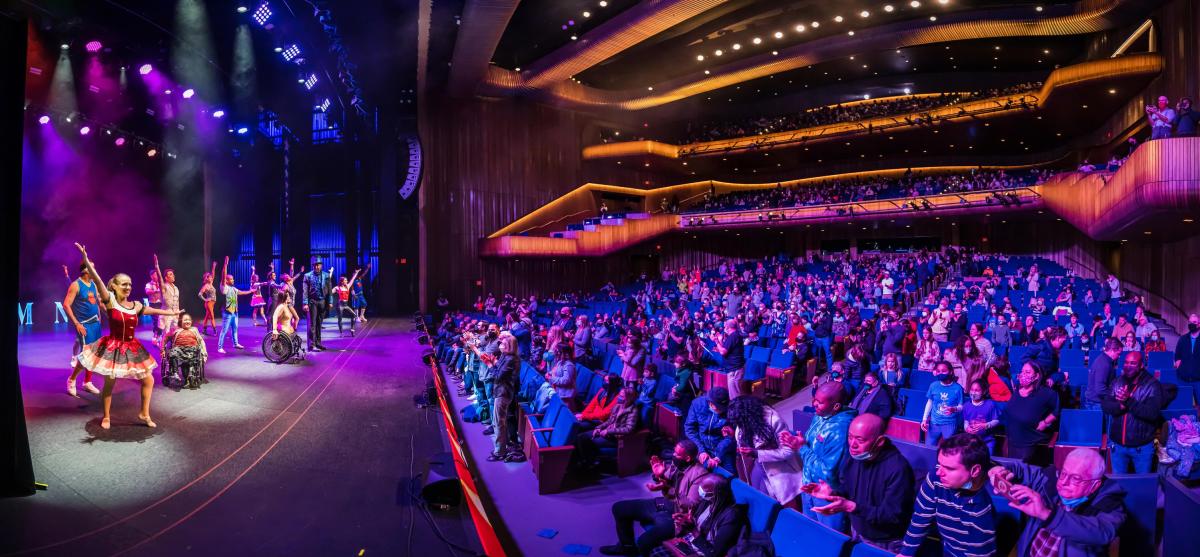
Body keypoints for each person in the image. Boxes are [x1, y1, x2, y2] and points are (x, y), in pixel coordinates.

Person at [72, 243, 180, 430]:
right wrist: (84, 258)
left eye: (130, 284)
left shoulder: (136, 305)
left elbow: (152, 309)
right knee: (110, 381)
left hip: (131, 346)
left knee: (149, 379)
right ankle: (106, 416)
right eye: (124, 284)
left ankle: (144, 413)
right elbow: (97, 280)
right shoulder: (110, 300)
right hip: (113, 346)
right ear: (114, 286)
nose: (128, 287)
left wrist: (171, 313)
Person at [799, 414, 914, 552]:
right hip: (858, 530)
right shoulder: (854, 456)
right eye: (850, 437)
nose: (852, 444)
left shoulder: (898, 469)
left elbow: (892, 516)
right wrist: (833, 491)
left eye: (860, 440)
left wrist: (852, 507)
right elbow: (847, 489)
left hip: (884, 541)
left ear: (879, 442)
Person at [988, 448, 1125, 557]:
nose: (1064, 482)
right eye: (1064, 474)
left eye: (1075, 479)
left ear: (1094, 485)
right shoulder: (1052, 478)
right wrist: (1000, 470)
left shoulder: (1110, 504)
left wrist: (1048, 515)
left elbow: (1101, 533)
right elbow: (1022, 470)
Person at [600, 440, 711, 556]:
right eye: (674, 452)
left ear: (687, 458)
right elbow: (666, 480)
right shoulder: (678, 463)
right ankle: (626, 547)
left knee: (643, 542)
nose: (673, 455)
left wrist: (670, 486)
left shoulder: (700, 475)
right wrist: (659, 475)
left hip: (678, 517)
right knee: (620, 508)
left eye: (677, 454)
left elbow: (690, 504)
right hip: (666, 504)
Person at [900, 433, 997, 557]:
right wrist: (906, 553)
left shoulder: (981, 511)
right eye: (939, 464)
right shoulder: (935, 478)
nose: (939, 472)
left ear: (975, 471)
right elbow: (920, 517)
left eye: (949, 468)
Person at [793, 382, 855, 532]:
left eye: (819, 402)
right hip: (809, 486)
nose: (814, 404)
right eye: (815, 399)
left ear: (836, 407)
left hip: (827, 493)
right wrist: (799, 442)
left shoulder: (840, 430)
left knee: (830, 539)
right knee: (811, 533)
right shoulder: (820, 416)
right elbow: (811, 447)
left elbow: (828, 471)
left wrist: (802, 448)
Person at [727, 396, 803, 507]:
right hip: (759, 469)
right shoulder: (742, 425)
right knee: (765, 503)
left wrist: (757, 453)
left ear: (748, 415)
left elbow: (788, 451)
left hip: (782, 471)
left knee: (788, 507)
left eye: (740, 422)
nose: (739, 426)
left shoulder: (774, 420)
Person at [650, 475, 746, 557]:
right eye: (701, 488)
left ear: (717, 494)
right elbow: (695, 522)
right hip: (694, 541)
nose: (700, 492)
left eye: (705, 490)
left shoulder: (731, 515)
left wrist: (693, 530)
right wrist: (685, 521)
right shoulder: (707, 501)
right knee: (655, 551)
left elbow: (715, 553)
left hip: (706, 550)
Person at [1101, 351, 1163, 473]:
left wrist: (1129, 401)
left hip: (1141, 448)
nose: (1128, 366)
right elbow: (1105, 406)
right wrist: (1122, 405)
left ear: (1141, 365)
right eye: (1126, 362)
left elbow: (1152, 413)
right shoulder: (1117, 381)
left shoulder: (1152, 385)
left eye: (1133, 363)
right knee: (1118, 486)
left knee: (1141, 487)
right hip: (1117, 446)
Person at [1003, 361, 1060, 463]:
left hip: (1029, 441)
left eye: (1028, 372)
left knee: (1021, 472)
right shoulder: (1017, 389)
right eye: (1022, 371)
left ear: (1036, 376)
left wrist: (1046, 422)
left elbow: (1056, 410)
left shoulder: (1046, 394)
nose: (1023, 375)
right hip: (1012, 440)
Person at [575, 386, 638, 470]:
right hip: (607, 432)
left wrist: (609, 431)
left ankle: (590, 465)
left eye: (622, 396)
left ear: (629, 398)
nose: (619, 397)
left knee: (588, 441)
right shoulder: (618, 406)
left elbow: (628, 429)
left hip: (616, 437)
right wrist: (598, 428)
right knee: (581, 437)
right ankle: (585, 462)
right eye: (619, 395)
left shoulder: (633, 411)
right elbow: (609, 421)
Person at [65, 262, 103, 397]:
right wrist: (77, 323)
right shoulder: (76, 285)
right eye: (91, 266)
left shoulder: (93, 284)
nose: (94, 268)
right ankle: (72, 379)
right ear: (85, 270)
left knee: (94, 354)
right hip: (84, 325)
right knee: (87, 354)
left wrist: (99, 315)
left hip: (95, 323)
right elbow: (66, 305)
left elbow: (95, 302)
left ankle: (87, 382)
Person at [487, 333, 524, 462]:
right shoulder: (505, 356)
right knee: (499, 422)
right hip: (500, 391)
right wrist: (493, 362)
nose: (500, 344)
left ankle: (500, 452)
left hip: (503, 393)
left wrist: (490, 365)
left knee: (499, 423)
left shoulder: (511, 359)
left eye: (502, 343)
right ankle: (502, 446)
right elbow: (499, 370)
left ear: (508, 346)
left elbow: (498, 376)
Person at [685, 387, 735, 474]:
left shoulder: (730, 409)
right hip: (701, 446)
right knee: (700, 475)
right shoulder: (697, 404)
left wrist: (718, 456)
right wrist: (701, 451)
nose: (723, 410)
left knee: (729, 476)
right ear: (710, 403)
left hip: (723, 449)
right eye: (720, 408)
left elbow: (729, 437)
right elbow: (690, 429)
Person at [217, 256, 254, 354]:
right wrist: (225, 265)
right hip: (227, 312)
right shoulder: (223, 287)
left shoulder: (234, 289)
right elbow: (223, 276)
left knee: (235, 329)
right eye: (231, 279)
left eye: (233, 279)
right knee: (224, 330)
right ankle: (220, 347)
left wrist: (250, 291)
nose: (233, 280)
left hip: (235, 312)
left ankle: (235, 343)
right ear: (227, 280)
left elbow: (241, 292)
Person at [922, 361, 964, 447]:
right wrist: (924, 419)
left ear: (951, 372)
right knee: (929, 448)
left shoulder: (958, 388)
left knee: (948, 450)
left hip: (949, 424)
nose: (940, 373)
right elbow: (930, 402)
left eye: (944, 370)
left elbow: (961, 407)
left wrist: (954, 409)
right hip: (934, 424)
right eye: (938, 371)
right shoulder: (933, 385)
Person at [164, 313, 208, 389]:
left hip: (192, 350)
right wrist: (162, 350)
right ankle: (175, 373)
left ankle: (191, 376)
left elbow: (201, 341)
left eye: (189, 320)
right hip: (179, 350)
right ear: (181, 321)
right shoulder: (176, 330)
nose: (187, 321)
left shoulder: (194, 329)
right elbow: (165, 338)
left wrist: (204, 353)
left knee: (195, 355)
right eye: (185, 320)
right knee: (172, 353)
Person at [301, 258, 333, 352]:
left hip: (322, 302)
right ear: (312, 266)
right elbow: (305, 291)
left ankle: (318, 343)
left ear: (321, 265)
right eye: (315, 265)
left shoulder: (326, 276)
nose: (316, 266)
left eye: (318, 265)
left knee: (319, 324)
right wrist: (305, 303)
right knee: (312, 324)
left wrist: (330, 301)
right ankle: (312, 345)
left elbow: (330, 290)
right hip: (312, 302)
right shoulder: (307, 276)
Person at [962, 380, 1001, 454]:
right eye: (972, 389)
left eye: (977, 390)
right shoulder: (966, 405)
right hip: (972, 441)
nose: (973, 393)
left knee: (988, 460)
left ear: (983, 391)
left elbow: (997, 421)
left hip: (987, 441)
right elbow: (966, 421)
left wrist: (985, 425)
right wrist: (967, 428)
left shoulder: (991, 404)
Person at [152, 254, 180, 354]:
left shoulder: (176, 288)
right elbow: (159, 278)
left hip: (174, 312)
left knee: (174, 330)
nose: (173, 276)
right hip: (166, 312)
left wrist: (177, 312)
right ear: (166, 278)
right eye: (170, 275)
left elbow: (177, 301)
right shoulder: (164, 287)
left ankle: (171, 346)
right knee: (166, 331)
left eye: (173, 274)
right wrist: (157, 266)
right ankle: (162, 347)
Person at [713, 319, 746, 398]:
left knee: (735, 394)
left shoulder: (733, 336)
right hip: (733, 368)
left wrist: (716, 341)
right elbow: (725, 348)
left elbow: (723, 352)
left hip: (735, 369)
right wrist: (719, 340)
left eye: (725, 326)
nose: (724, 328)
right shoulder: (734, 335)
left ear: (728, 327)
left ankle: (737, 409)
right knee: (734, 393)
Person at [1175, 313, 1200, 403]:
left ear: (1199, 324)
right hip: (1183, 380)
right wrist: (1180, 367)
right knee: (1184, 405)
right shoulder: (1183, 339)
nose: (1191, 324)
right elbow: (1177, 355)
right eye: (1190, 322)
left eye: (1194, 322)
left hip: (1198, 381)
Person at [332, 268, 363, 337]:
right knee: (340, 319)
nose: (347, 281)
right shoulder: (337, 288)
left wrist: (356, 273)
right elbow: (330, 292)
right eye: (345, 280)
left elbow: (352, 279)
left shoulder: (347, 286)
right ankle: (341, 332)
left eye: (346, 280)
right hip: (340, 305)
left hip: (346, 305)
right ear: (342, 281)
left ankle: (352, 329)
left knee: (354, 315)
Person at [144, 268, 163, 344]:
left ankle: (160, 334)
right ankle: (155, 334)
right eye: (155, 275)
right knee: (156, 319)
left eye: (157, 275)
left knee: (161, 319)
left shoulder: (161, 283)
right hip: (153, 304)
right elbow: (147, 291)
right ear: (151, 276)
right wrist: (156, 291)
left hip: (161, 303)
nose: (156, 276)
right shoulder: (149, 284)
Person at [197, 262, 217, 335]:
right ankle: (215, 330)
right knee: (212, 316)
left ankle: (204, 330)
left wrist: (214, 267)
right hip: (209, 303)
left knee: (207, 316)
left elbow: (213, 274)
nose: (211, 278)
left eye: (211, 277)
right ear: (206, 278)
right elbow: (199, 294)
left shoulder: (211, 284)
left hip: (212, 302)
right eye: (210, 277)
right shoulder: (206, 286)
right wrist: (205, 299)